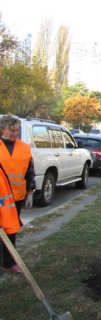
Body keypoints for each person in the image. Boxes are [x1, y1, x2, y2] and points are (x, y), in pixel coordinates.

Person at [0, 115, 36, 272]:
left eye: (17, 130)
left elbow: (30, 172)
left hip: (15, 196)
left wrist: (30, 192)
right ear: (2, 129)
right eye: (11, 130)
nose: (15, 133)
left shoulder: (24, 147)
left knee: (11, 229)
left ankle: (9, 262)